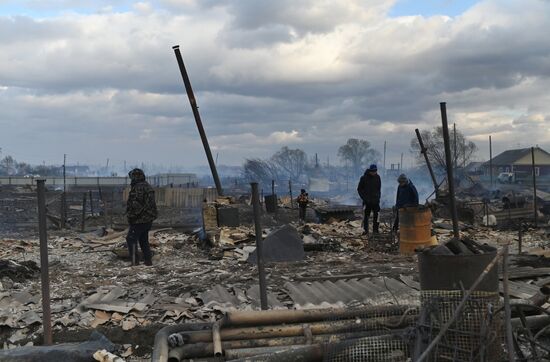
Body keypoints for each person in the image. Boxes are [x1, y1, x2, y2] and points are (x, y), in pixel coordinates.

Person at [126, 168, 157, 266]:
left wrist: (131, 217)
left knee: (131, 239)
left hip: (139, 219)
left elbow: (136, 205)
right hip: (148, 219)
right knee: (143, 239)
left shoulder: (138, 188)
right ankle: (148, 261)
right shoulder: (148, 186)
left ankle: (135, 262)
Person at [357, 164, 381, 234]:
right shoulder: (364, 178)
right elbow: (359, 189)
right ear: (369, 171)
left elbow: (379, 189)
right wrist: (364, 198)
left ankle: (375, 231)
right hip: (367, 202)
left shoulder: (378, 177)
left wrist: (378, 197)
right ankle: (366, 231)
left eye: (375, 171)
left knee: (377, 216)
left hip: (376, 202)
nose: (374, 172)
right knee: (366, 217)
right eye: (373, 171)